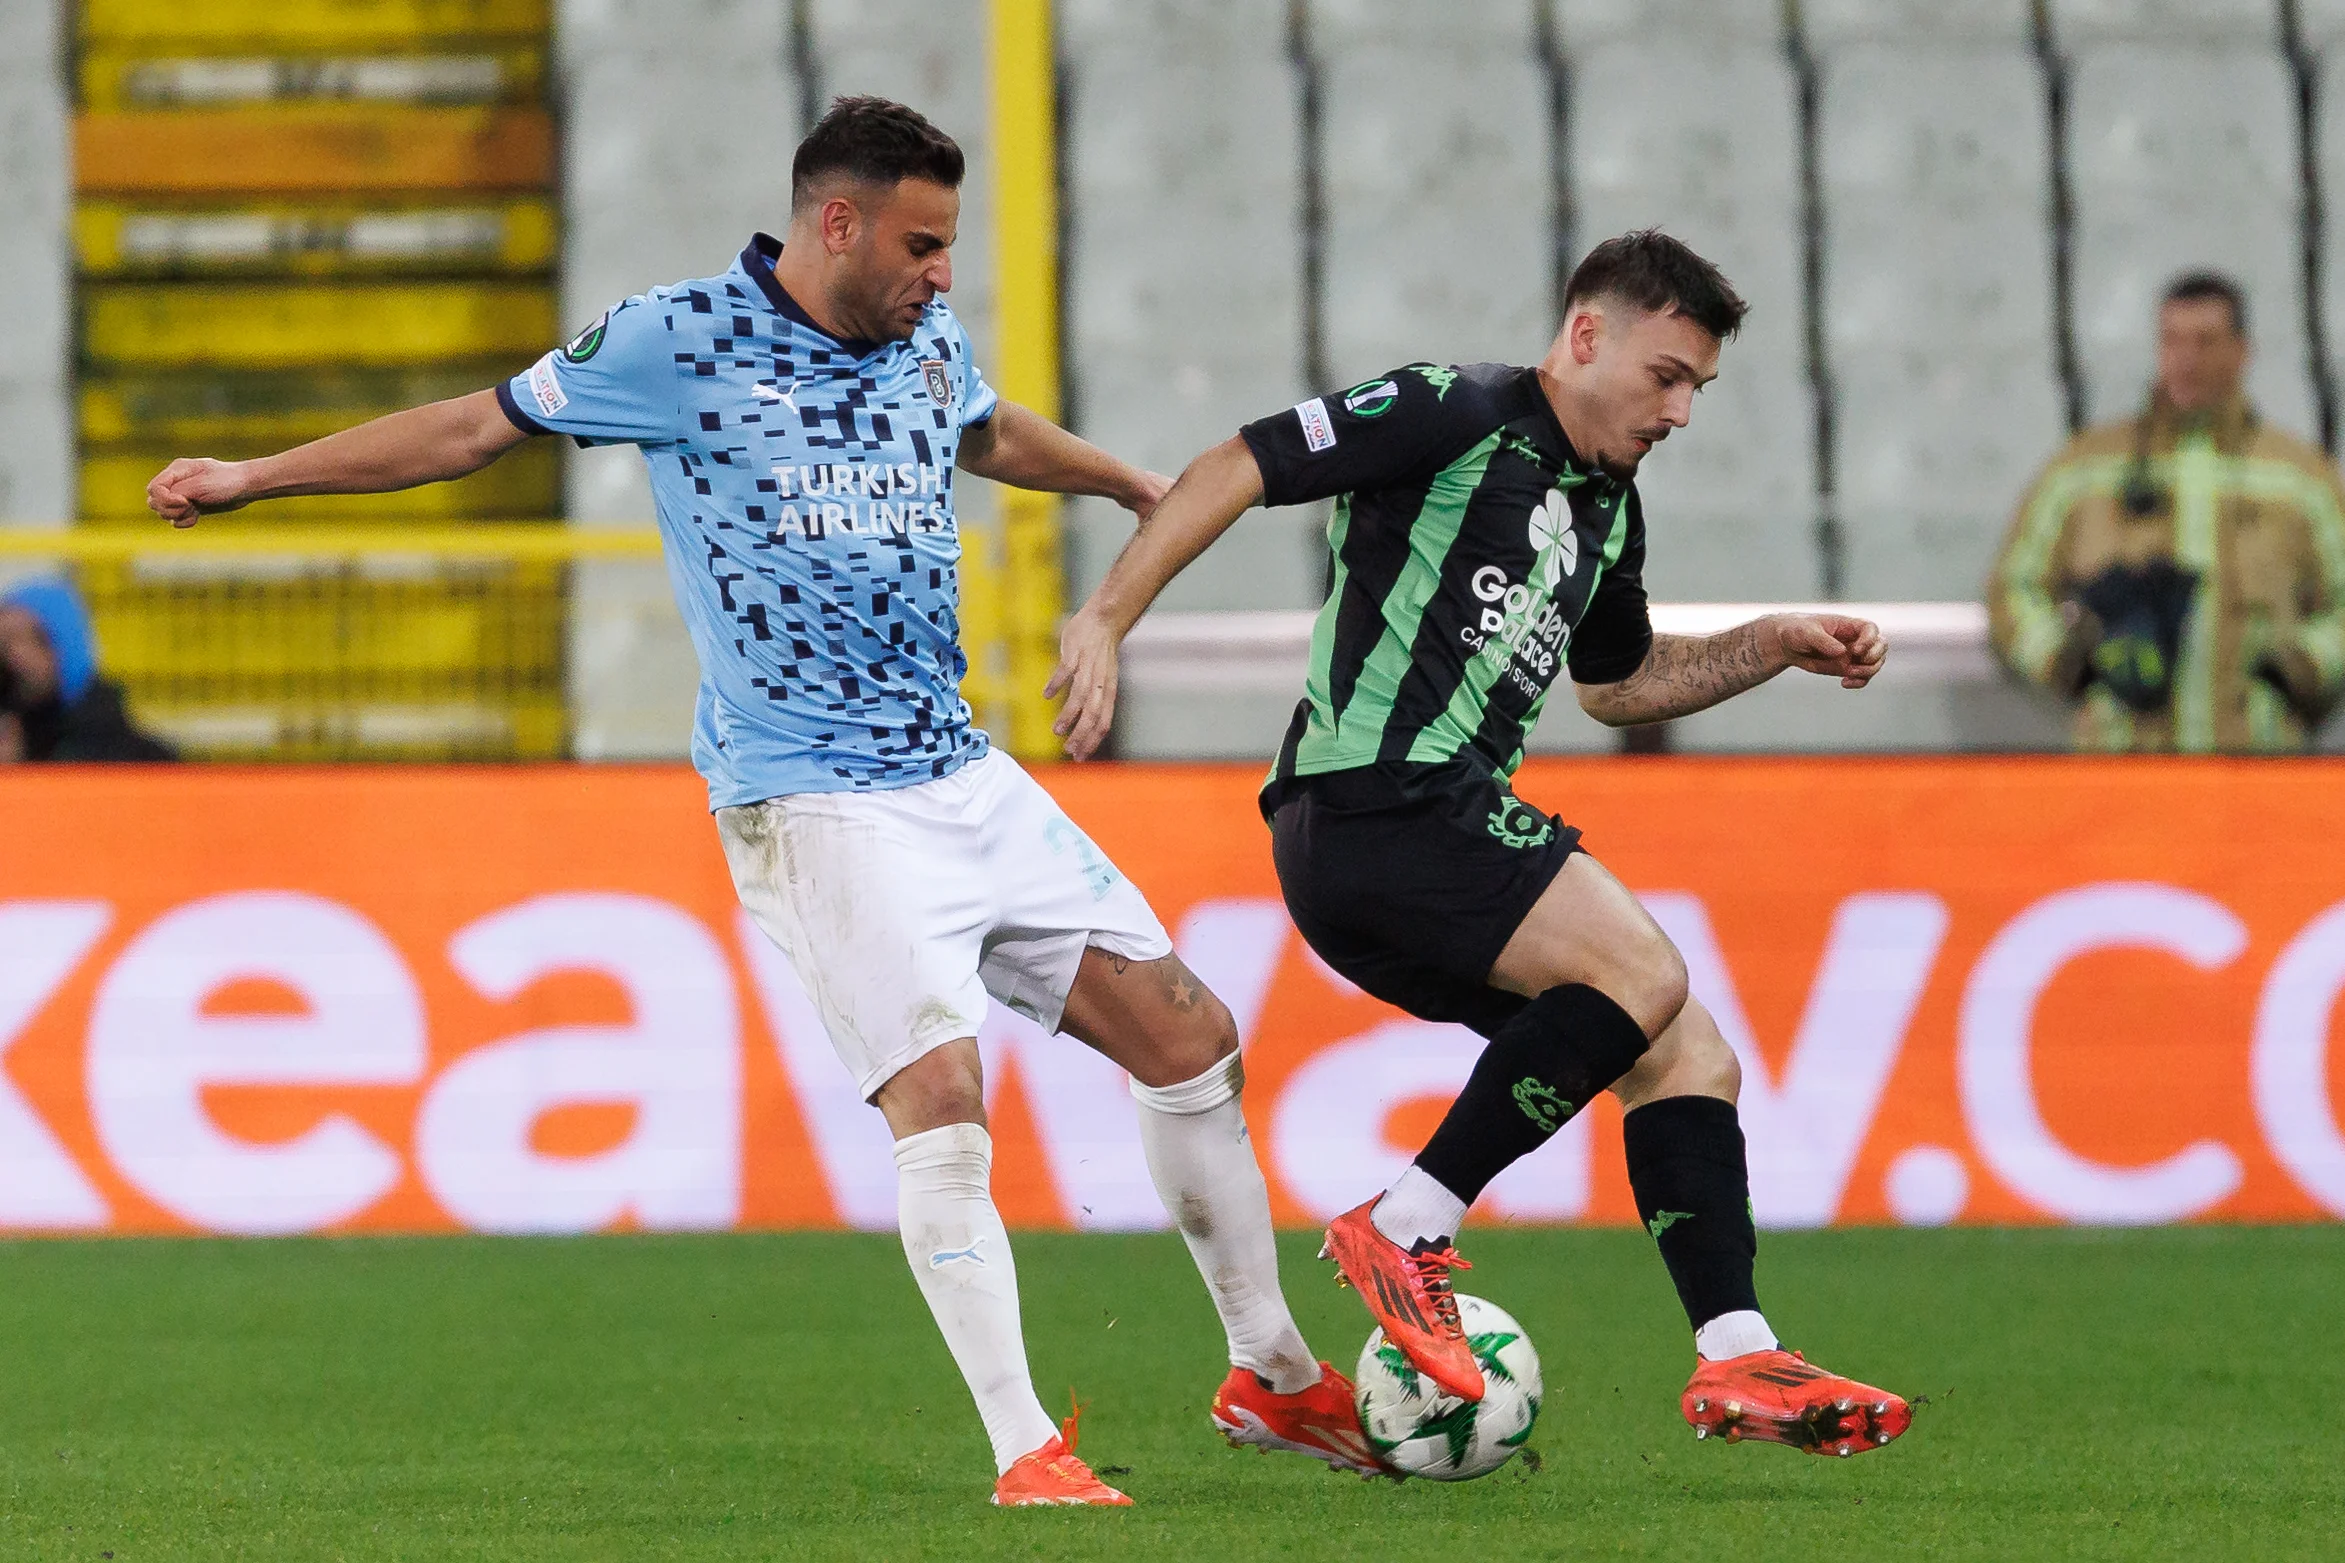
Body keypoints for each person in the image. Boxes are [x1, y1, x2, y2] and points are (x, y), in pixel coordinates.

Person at [146, 96, 1368, 1506]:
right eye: (919, 243)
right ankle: (1027, 1444)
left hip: (958, 767)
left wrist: (1115, 478)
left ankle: (1270, 1370)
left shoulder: (921, 336)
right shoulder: (676, 340)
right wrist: (256, 476)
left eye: (948, 246)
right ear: (833, 220)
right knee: (943, 1090)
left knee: (1188, 1031)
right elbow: (472, 430)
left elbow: (981, 430)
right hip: (812, 796)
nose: (939, 273)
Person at [1050, 230, 1912, 1457]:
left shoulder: (1606, 507)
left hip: (1417, 834)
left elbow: (1614, 686)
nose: (1678, 411)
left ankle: (1737, 1356)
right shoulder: (1448, 411)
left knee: (1686, 1057)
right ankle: (1403, 1228)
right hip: (1371, 800)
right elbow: (1236, 464)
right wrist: (1103, 616)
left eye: (1698, 390)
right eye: (1665, 375)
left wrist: (1765, 641)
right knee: (1642, 972)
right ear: (1583, 336)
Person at [1990, 271, 2345, 752]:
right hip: (2122, 761)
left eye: (2206, 341)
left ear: (2242, 351)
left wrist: (2301, 667)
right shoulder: (2085, 468)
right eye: (2172, 339)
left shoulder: (2302, 479)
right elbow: (2014, 586)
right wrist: (2068, 663)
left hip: (2257, 762)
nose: (2186, 358)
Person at [0, 576, 176, 763]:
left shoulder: (136, 756)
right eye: (5, 643)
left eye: (33, 639)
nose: (16, 655)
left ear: (66, 644)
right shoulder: (14, 731)